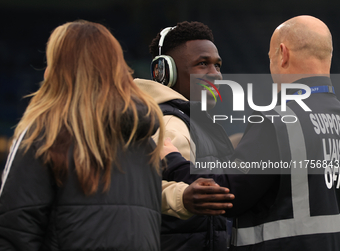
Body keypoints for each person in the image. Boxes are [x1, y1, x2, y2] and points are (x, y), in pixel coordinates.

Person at [165, 15, 340, 250]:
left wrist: (172, 160)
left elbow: (226, 194)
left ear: (283, 53)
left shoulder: (278, 121)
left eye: (270, 59)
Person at [0, 20, 168, 251]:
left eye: (51, 61)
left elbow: (13, 232)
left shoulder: (45, 134)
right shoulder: (145, 140)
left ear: (59, 69)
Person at [135, 21, 235, 251]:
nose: (215, 75)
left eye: (217, 66)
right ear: (164, 73)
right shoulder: (170, 123)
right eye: (202, 64)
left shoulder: (194, 120)